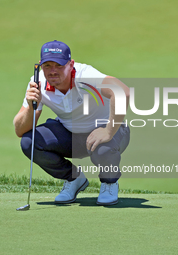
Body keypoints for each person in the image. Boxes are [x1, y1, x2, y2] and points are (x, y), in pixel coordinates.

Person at [13, 40, 130, 205]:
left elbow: (121, 91)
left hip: (109, 131)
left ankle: (109, 183)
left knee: (104, 150)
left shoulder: (85, 75)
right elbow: (20, 130)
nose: (53, 71)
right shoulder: (38, 82)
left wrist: (108, 131)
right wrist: (31, 106)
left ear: (71, 64)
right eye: (47, 66)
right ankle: (74, 178)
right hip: (71, 134)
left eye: (59, 65)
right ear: (40, 65)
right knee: (29, 142)